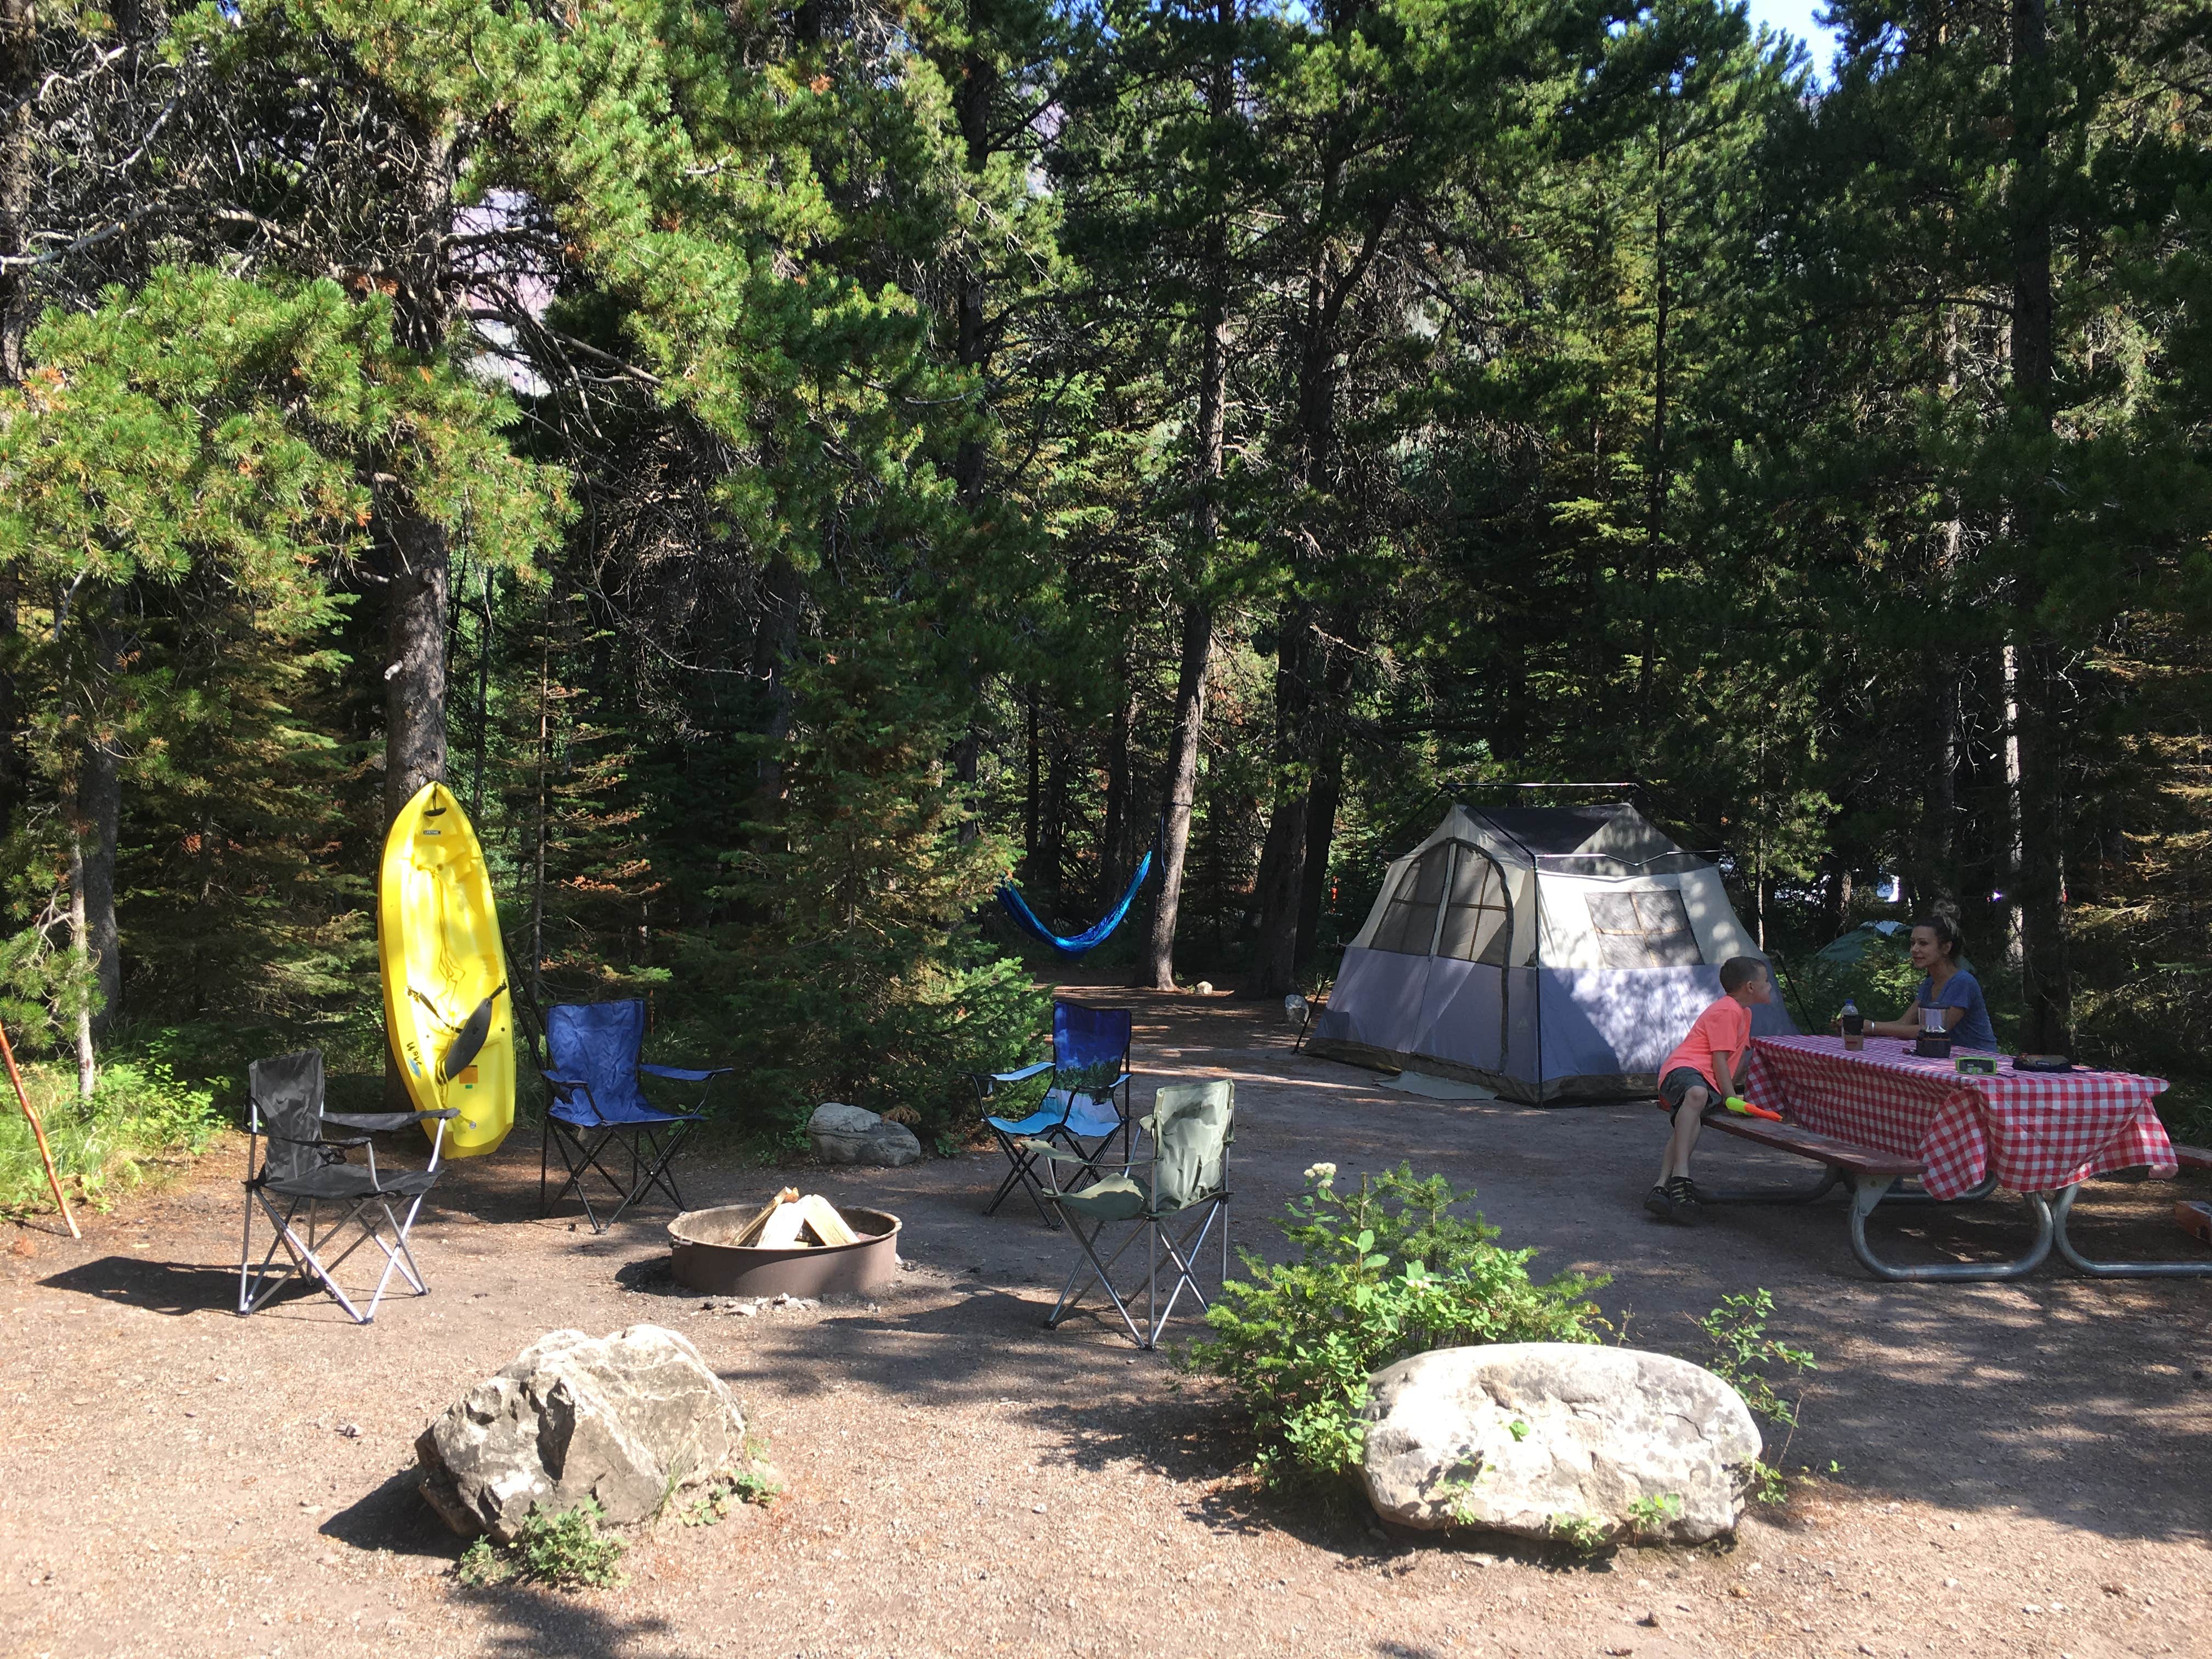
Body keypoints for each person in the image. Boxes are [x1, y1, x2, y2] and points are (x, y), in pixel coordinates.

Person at [1646, 956, 1774, 1225]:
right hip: (1684, 1070)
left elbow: (1734, 1059)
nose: (1770, 986)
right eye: (1766, 982)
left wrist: (1733, 1090)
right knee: (1696, 1095)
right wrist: (1730, 1098)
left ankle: (1661, 1186)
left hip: (1707, 1081)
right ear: (1750, 987)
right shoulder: (1728, 1010)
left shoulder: (1744, 1013)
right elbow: (1718, 1059)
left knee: (1690, 1124)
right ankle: (1682, 1177)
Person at [1839, 912, 1997, 1051]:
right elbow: (1904, 1024)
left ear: (1946, 948)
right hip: (1946, 1060)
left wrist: (1872, 1027)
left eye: (1923, 943)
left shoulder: (1963, 982)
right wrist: (1858, 1025)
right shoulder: (1929, 983)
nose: (1914, 949)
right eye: (1912, 943)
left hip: (1980, 1063)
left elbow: (1935, 1031)